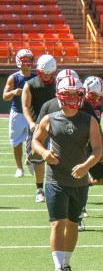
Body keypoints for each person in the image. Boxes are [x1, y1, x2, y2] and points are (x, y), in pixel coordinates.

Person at [31, 76, 102, 271]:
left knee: (72, 224)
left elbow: (97, 149)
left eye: (75, 94)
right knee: (56, 223)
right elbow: (35, 140)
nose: (71, 98)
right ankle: (58, 267)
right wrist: (44, 153)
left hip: (79, 181)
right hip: (55, 179)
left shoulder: (89, 120)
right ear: (60, 96)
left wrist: (86, 166)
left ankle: (67, 264)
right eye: (67, 94)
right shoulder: (50, 118)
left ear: (81, 95)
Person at [22, 54, 57, 203]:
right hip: (38, 125)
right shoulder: (30, 84)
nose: (48, 77)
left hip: (57, 124)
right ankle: (39, 189)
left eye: (50, 74)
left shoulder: (59, 83)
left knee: (58, 157)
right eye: (45, 74)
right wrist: (31, 122)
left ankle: (57, 187)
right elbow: (25, 106)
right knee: (37, 160)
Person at [3, 49, 36, 177]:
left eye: (29, 59)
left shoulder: (35, 77)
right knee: (16, 142)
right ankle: (19, 168)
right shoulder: (14, 78)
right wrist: (13, 92)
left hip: (31, 113)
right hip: (17, 113)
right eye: (25, 59)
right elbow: (5, 96)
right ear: (19, 61)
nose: (27, 62)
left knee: (34, 140)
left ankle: (32, 162)